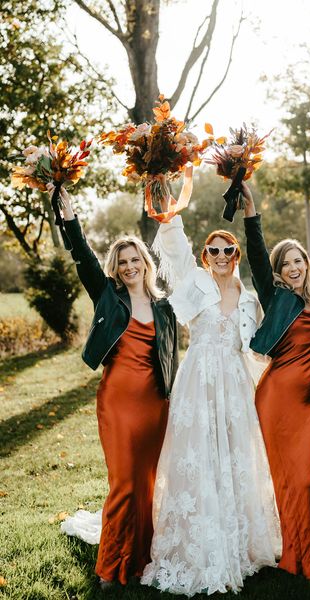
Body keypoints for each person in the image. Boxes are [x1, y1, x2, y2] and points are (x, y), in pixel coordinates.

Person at [141, 190, 281, 596]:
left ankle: (238, 540)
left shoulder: (250, 299)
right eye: (214, 251)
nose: (221, 256)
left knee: (234, 456)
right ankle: (196, 541)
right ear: (205, 257)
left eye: (228, 251)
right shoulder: (195, 284)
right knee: (198, 455)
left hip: (234, 387)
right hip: (197, 383)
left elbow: (257, 348)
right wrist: (168, 211)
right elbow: (175, 247)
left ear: (236, 256)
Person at [54, 184, 178, 588]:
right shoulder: (109, 296)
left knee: (146, 484)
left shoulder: (163, 306)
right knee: (123, 482)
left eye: (134, 259)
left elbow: (169, 357)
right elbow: (84, 259)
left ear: (146, 262)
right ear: (116, 267)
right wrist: (70, 218)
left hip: (154, 404)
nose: (129, 267)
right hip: (118, 402)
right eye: (122, 262)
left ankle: (140, 558)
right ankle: (111, 567)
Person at [241, 182, 310, 580]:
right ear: (280, 273)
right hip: (277, 399)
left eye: (298, 261)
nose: (293, 268)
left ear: (307, 262)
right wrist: (251, 212)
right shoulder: (277, 296)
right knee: (290, 480)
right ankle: (301, 555)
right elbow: (257, 257)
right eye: (286, 265)